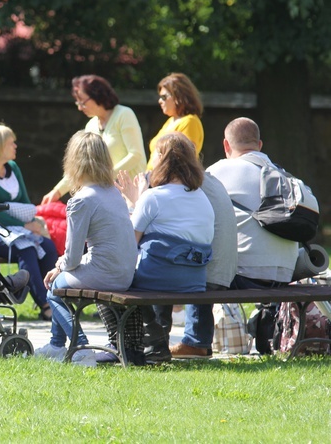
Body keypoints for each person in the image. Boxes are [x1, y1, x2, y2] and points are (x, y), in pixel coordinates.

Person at [103, 132, 214, 364]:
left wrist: (135, 203)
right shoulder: (202, 197)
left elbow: (127, 245)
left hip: (159, 278)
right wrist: (137, 201)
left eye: (155, 153)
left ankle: (144, 341)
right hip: (194, 281)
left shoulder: (153, 197)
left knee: (113, 280)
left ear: (163, 158)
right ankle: (155, 341)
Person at [35, 132, 138, 367]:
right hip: (125, 274)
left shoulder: (81, 200)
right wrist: (63, 266)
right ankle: (55, 345)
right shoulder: (113, 192)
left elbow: (71, 257)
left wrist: (58, 266)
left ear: (73, 161)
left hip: (104, 273)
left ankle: (80, 348)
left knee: (53, 287)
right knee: (60, 283)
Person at [142, 170, 238, 361]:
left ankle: (158, 345)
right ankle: (197, 342)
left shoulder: (180, 186)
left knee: (159, 267)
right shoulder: (210, 180)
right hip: (227, 270)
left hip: (203, 272)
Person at [0, 123, 58, 320]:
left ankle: (55, 300)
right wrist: (24, 226)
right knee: (26, 249)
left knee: (47, 246)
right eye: (11, 143)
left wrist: (31, 223)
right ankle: (45, 305)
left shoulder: (12, 167)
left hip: (16, 228)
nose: (16, 146)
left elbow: (25, 202)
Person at [206, 117, 298, 289]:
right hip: (287, 274)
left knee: (195, 279)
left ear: (226, 145)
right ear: (260, 145)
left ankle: (197, 318)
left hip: (244, 273)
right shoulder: (283, 174)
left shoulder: (218, 171)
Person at [42, 74, 146, 204]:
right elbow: (81, 166)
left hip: (133, 196)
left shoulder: (124, 114)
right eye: (77, 103)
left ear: (98, 95)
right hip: (107, 197)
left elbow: (135, 155)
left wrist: (104, 178)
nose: (80, 108)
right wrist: (57, 191)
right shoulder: (90, 126)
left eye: (82, 102)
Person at [146, 73, 204, 170]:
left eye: (164, 97)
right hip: (155, 179)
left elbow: (184, 160)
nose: (160, 101)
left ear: (178, 96)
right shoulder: (170, 121)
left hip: (170, 181)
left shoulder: (190, 121)